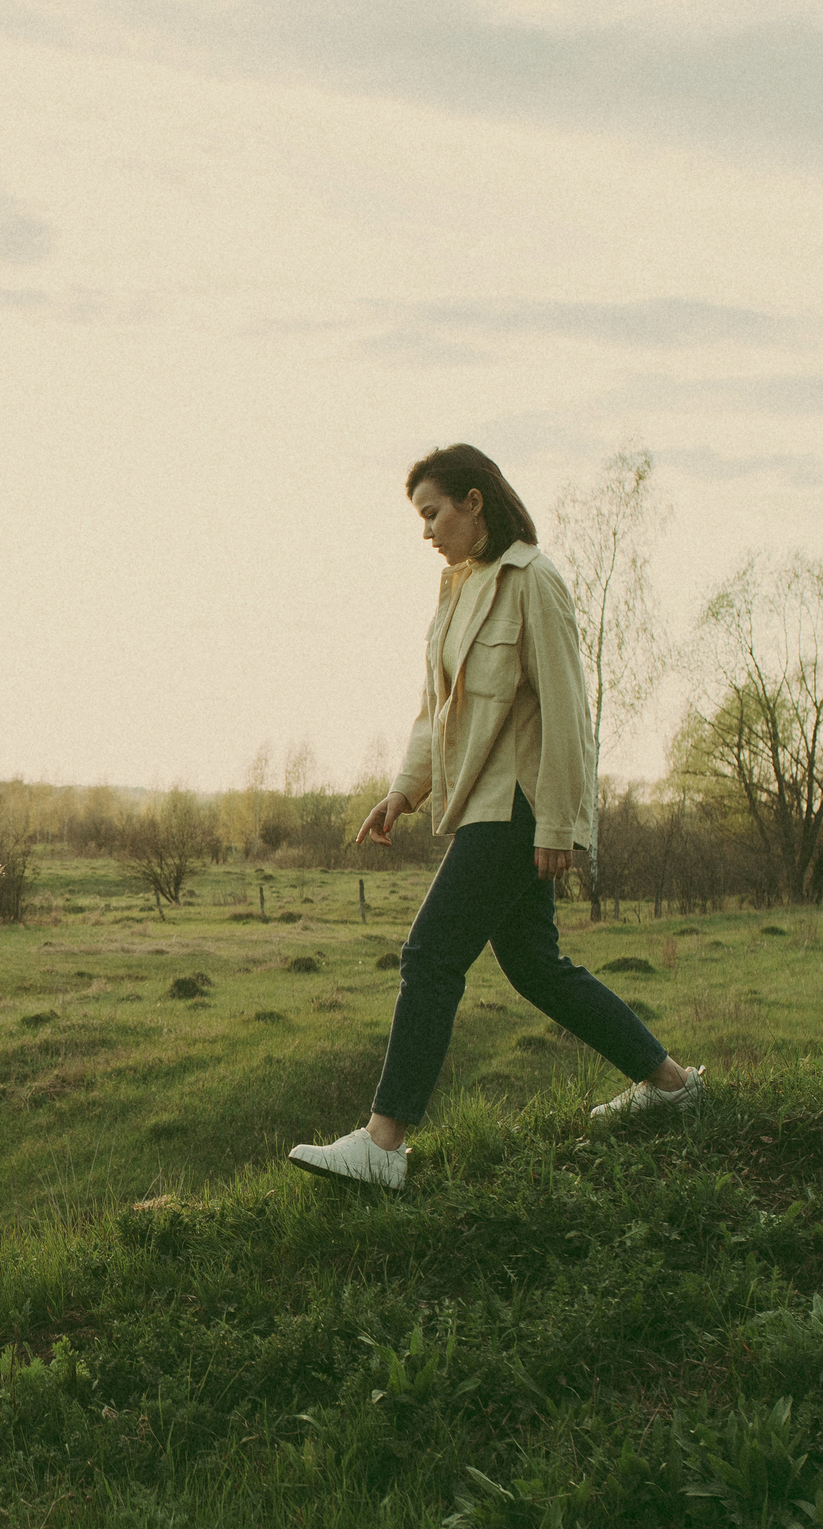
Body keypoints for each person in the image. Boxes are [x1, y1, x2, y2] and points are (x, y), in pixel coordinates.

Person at [289, 443, 704, 1191]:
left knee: (431, 956)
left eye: (433, 513)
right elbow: (436, 712)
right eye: (420, 519)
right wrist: (403, 791)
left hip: (516, 803)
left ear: (475, 501)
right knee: (536, 967)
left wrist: (561, 825)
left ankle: (383, 1144)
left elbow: (569, 711)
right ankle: (671, 1085)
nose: (426, 532)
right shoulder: (456, 590)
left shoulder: (532, 581)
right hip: (479, 802)